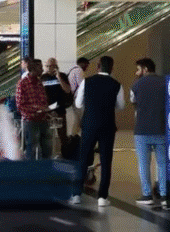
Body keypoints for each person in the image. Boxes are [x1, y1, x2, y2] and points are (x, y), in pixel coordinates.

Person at [70, 55, 125, 207]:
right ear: (112, 68)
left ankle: (76, 194)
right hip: (107, 126)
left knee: (83, 158)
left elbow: (78, 103)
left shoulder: (87, 82)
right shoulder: (117, 85)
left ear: (98, 66)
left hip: (89, 125)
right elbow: (121, 106)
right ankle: (102, 197)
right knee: (106, 160)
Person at [130, 57, 167, 207]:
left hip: (142, 130)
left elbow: (133, 101)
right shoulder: (165, 82)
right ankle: (164, 194)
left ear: (145, 69)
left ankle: (147, 195)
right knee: (162, 164)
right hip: (161, 129)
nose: (136, 72)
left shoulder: (136, 84)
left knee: (144, 164)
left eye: (138, 69)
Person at [16, 59, 52, 160]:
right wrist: (36, 109)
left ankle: (45, 172)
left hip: (44, 119)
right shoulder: (23, 83)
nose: (42, 69)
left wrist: (47, 108)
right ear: (32, 69)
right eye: (40, 67)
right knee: (31, 149)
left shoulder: (40, 82)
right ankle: (30, 173)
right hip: (30, 121)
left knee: (47, 149)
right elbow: (20, 105)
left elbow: (43, 100)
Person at [42, 58, 72, 149]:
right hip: (48, 110)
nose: (48, 68)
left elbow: (67, 90)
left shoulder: (62, 76)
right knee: (47, 135)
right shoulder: (43, 77)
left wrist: (59, 77)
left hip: (60, 108)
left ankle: (65, 152)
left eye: (50, 66)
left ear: (56, 66)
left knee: (62, 134)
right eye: (47, 66)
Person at [66, 57, 90, 135]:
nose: (87, 67)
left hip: (72, 97)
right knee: (79, 119)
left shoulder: (71, 69)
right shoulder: (79, 70)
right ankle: (75, 136)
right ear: (83, 63)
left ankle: (74, 136)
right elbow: (82, 86)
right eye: (87, 65)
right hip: (77, 99)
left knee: (77, 118)